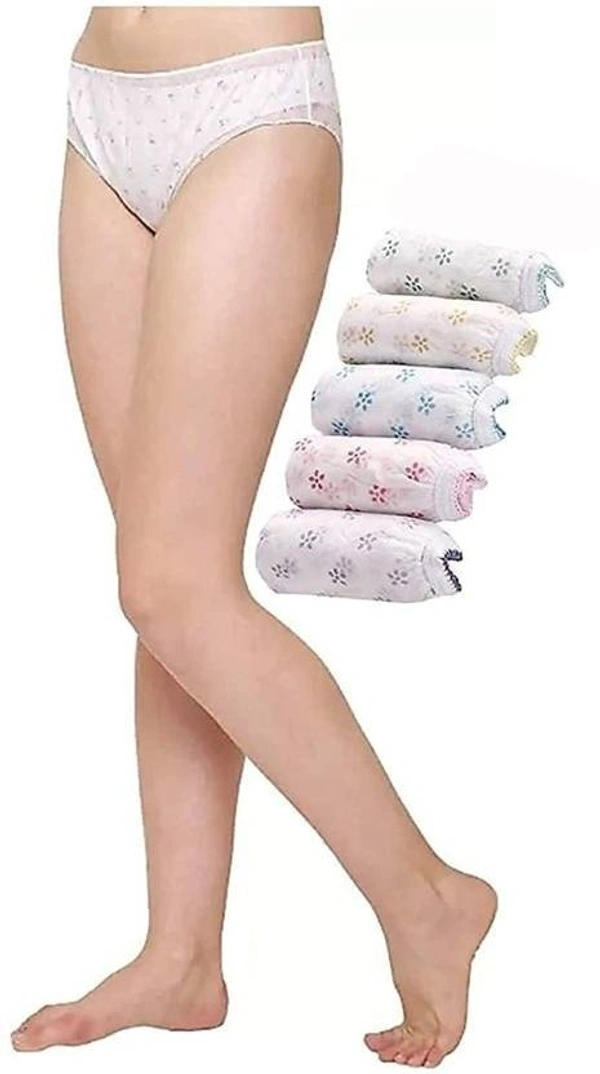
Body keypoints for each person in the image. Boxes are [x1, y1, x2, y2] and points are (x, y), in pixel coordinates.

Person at [11, 7, 496, 1067]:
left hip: (250, 105)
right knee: (162, 577)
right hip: (100, 102)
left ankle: (427, 896)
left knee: (171, 585)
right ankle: (181, 957)